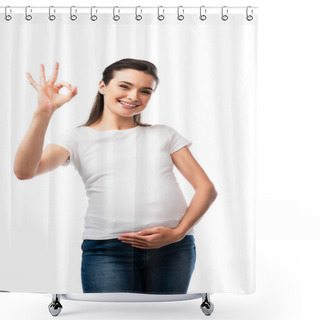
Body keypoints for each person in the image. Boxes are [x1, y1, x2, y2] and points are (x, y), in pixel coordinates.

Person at [14, 58, 218, 294]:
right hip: (108, 250)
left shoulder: (164, 135)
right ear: (103, 86)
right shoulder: (77, 138)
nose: (133, 96)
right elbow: (24, 171)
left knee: (165, 317)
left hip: (173, 249)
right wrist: (43, 113)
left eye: (145, 91)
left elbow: (206, 189)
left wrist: (177, 233)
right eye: (124, 86)